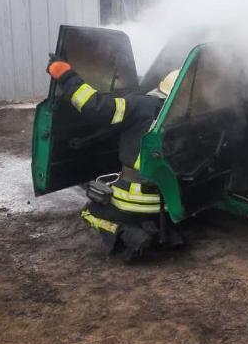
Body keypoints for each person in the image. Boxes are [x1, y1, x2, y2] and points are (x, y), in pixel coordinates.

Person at [46, 55, 180, 260]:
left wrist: (65, 75)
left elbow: (95, 106)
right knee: (146, 212)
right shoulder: (186, 116)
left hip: (134, 200)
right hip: (168, 202)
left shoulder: (140, 105)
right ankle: (159, 229)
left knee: (89, 211)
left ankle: (129, 235)